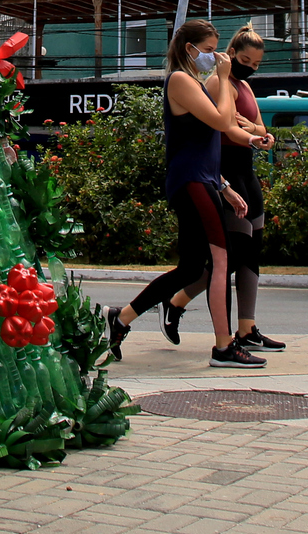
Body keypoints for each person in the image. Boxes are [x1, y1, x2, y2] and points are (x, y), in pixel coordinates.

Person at [104, 20, 266, 369]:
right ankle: (224, 346)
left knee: (192, 267)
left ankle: (120, 319)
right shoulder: (180, 80)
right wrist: (223, 78)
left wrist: (225, 184)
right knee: (221, 260)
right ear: (189, 48)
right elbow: (224, 121)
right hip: (190, 181)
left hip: (205, 180)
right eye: (209, 51)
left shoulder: (193, 82)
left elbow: (210, 139)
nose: (215, 57)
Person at [158, 27, 284, 352]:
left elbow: (257, 126)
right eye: (244, 60)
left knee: (249, 252)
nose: (249, 67)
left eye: (256, 64)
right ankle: (182, 306)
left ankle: (246, 327)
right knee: (226, 256)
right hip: (221, 171)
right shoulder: (213, 82)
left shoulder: (242, 86)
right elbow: (222, 123)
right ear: (230, 53)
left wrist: (252, 129)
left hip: (246, 171)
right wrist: (243, 127)